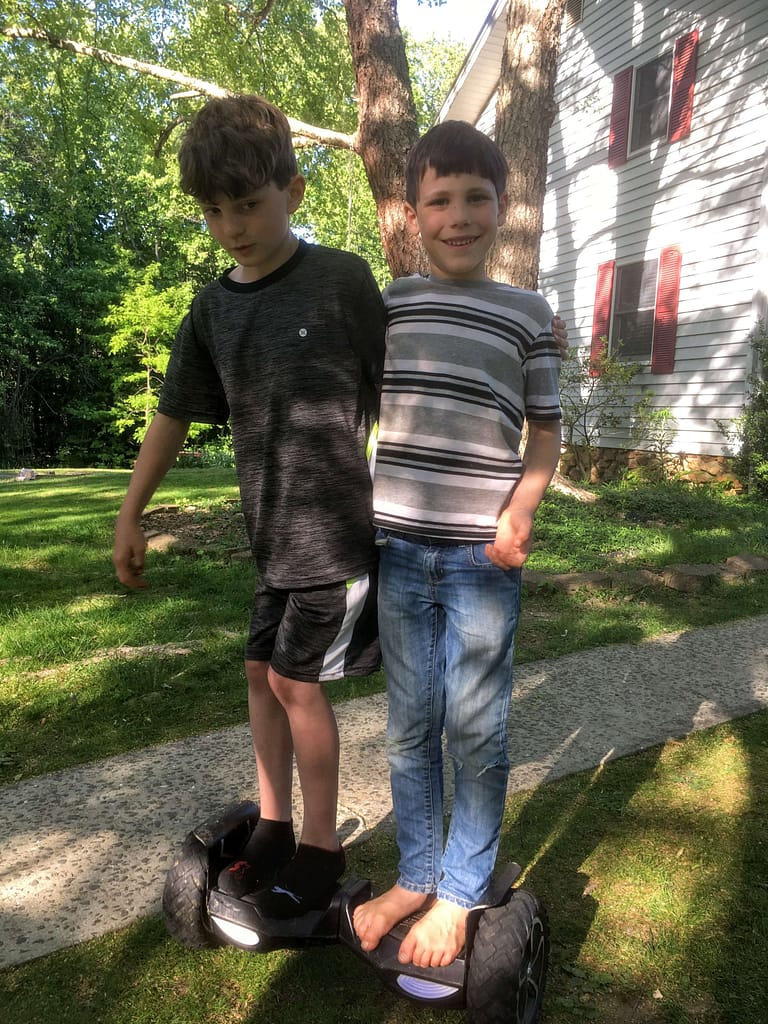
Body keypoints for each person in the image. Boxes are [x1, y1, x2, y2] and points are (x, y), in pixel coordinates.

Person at [112, 94, 386, 918]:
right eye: (214, 211)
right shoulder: (211, 309)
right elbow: (172, 415)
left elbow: (398, 390)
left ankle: (322, 850)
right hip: (272, 543)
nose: (231, 227)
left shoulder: (341, 280)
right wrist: (131, 512)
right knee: (259, 677)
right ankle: (273, 826)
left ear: (293, 191)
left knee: (297, 683)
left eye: (248, 205)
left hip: (336, 539)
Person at [353, 120, 563, 969]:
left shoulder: (529, 314)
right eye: (440, 200)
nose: (459, 216)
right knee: (410, 730)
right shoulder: (389, 305)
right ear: (412, 214)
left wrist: (523, 510)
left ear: (503, 207)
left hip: (483, 560)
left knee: (475, 733)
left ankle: (462, 891)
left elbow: (544, 431)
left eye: (478, 198)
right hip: (398, 552)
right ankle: (416, 875)